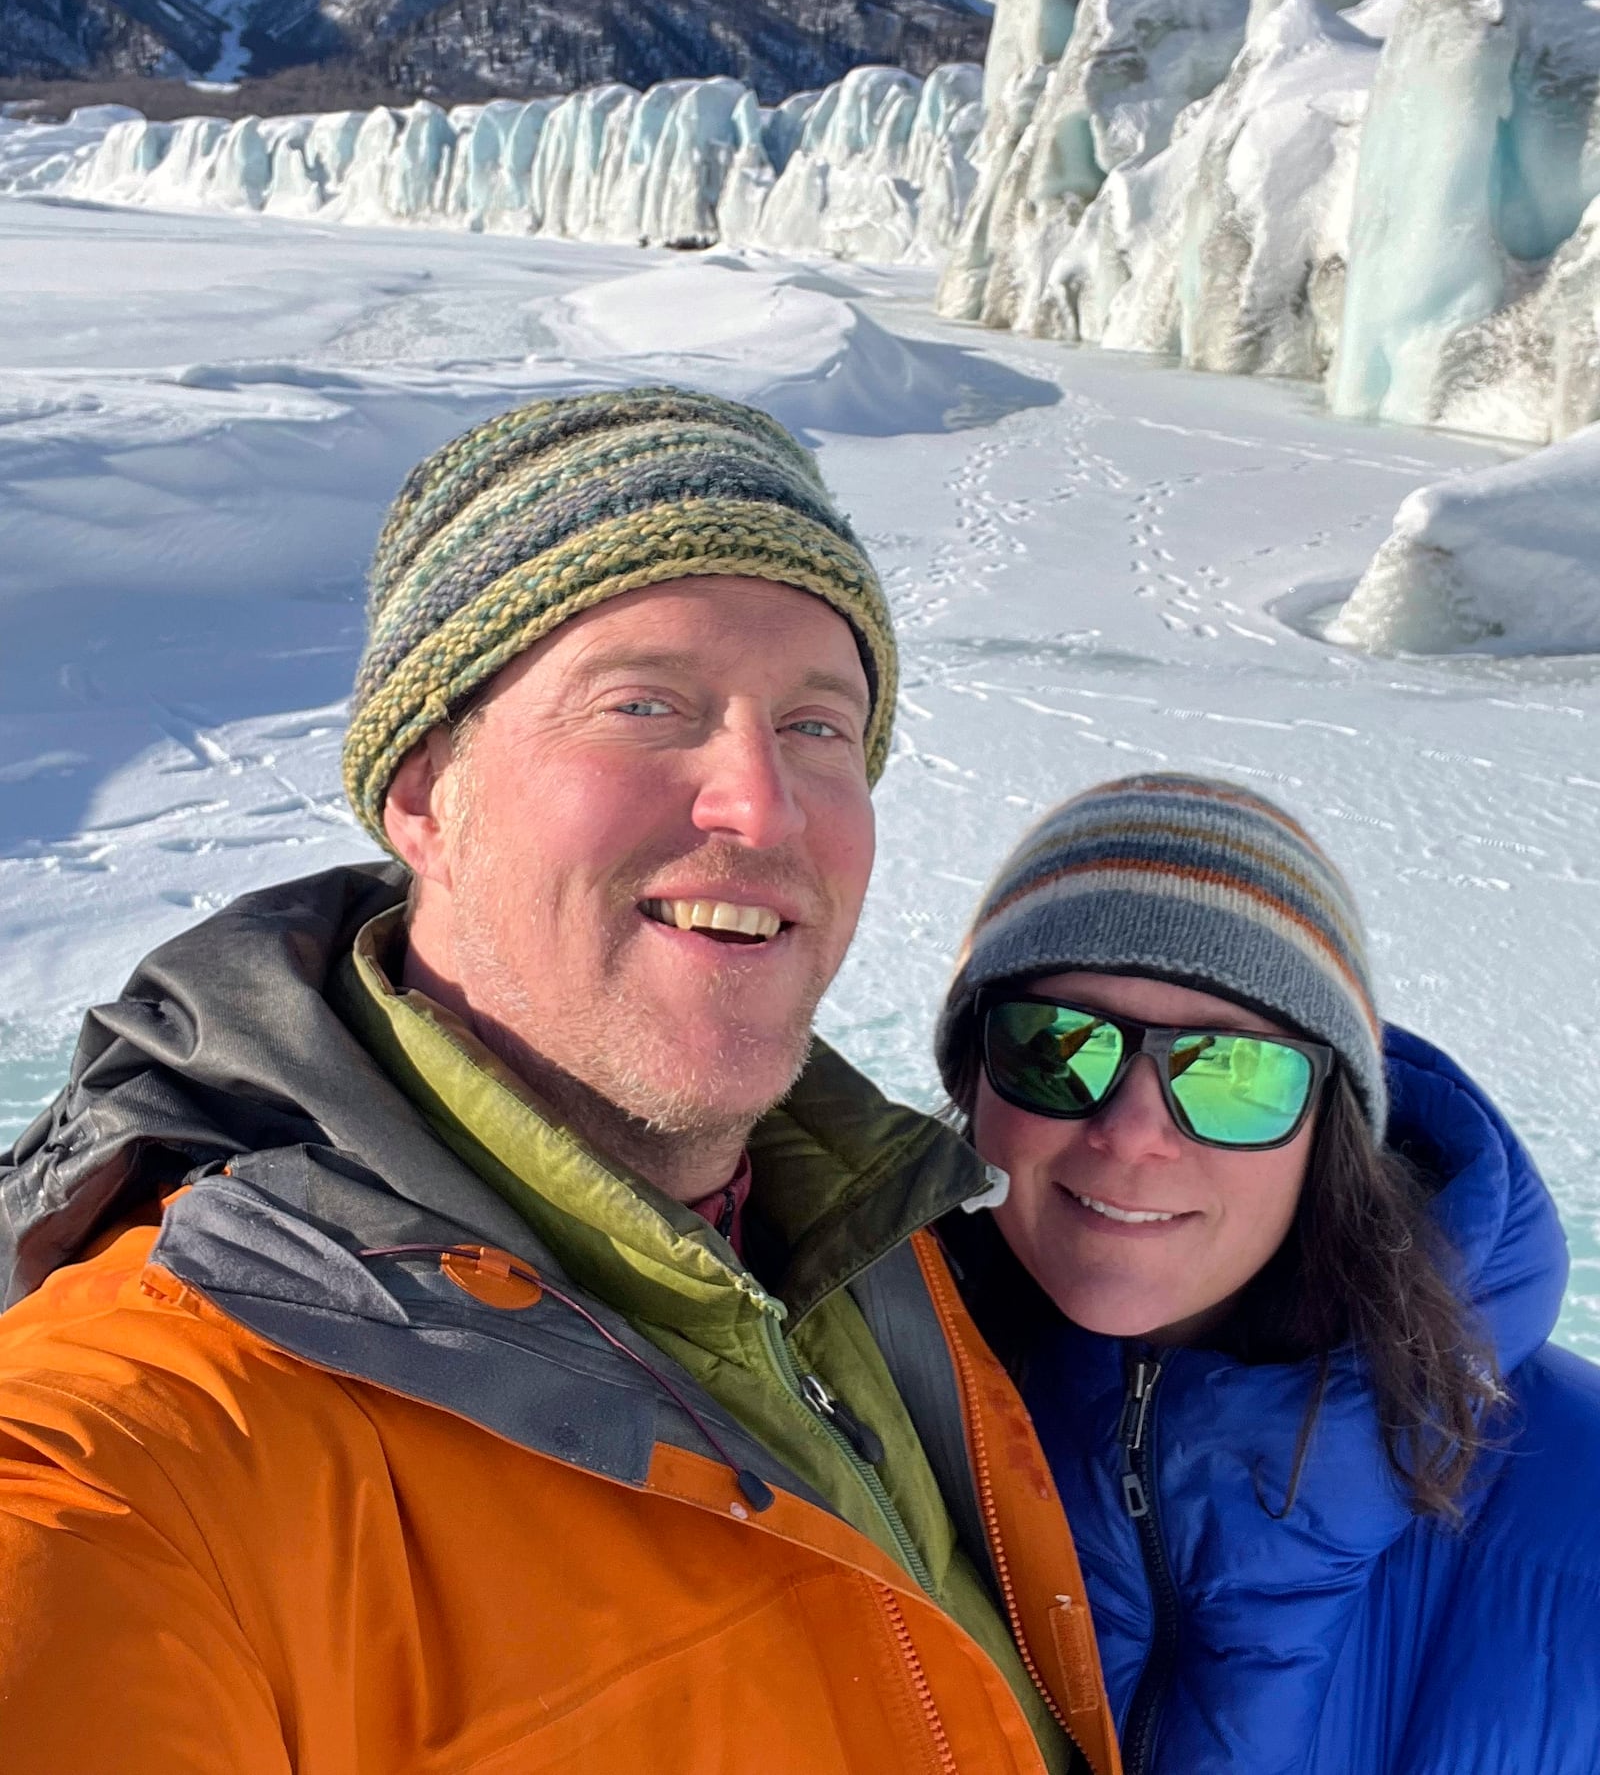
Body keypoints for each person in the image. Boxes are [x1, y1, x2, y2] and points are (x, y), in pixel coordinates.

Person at [0, 386, 1120, 1775]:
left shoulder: (879, 1243)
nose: (761, 805)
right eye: (647, 705)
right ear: (424, 795)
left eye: (819, 727)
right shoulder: (146, 1461)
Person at [933, 770, 1600, 1775]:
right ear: (974, 1077)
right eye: (1057, 1046)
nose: (1129, 1133)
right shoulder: (856, 1422)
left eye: (1231, 1072)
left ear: (1331, 1126)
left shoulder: (1579, 1499)